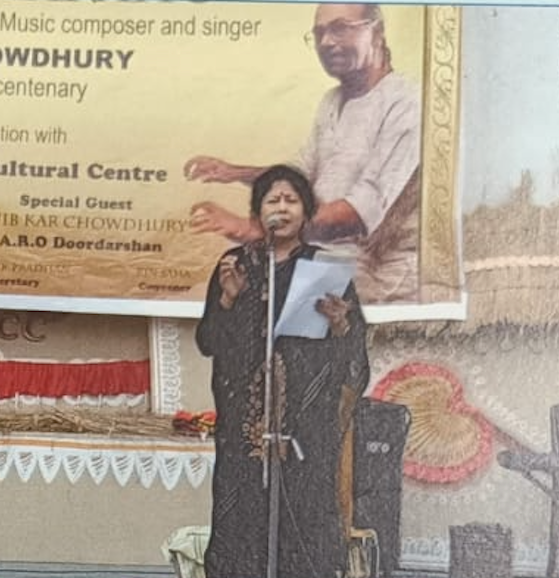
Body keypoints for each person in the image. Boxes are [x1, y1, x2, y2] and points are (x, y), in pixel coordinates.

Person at [196, 165, 370, 578]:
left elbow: (353, 352)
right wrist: (228, 301)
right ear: (258, 213)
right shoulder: (236, 264)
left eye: (291, 200)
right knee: (243, 514)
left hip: (305, 426)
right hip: (246, 427)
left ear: (305, 212)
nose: (282, 208)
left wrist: (340, 324)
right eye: (273, 200)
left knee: (304, 515)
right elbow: (208, 342)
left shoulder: (324, 267)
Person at [186, 3, 421, 304]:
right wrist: (234, 172)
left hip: (366, 277)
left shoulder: (406, 102)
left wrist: (252, 229)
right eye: (319, 33)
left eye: (339, 28)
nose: (326, 42)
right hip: (313, 256)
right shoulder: (332, 100)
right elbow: (298, 175)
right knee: (209, 292)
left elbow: (356, 214)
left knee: (222, 302)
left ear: (377, 32)